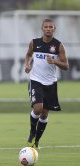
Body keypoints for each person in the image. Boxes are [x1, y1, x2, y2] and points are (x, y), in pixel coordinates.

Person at [24, 18, 69, 149]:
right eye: (46, 27)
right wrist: (27, 64)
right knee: (37, 108)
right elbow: (28, 55)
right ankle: (32, 131)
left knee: (44, 113)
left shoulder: (59, 46)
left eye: (51, 27)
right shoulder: (34, 42)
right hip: (36, 80)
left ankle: (36, 141)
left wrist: (55, 62)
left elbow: (66, 66)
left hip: (50, 83)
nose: (48, 29)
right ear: (42, 28)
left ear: (54, 29)